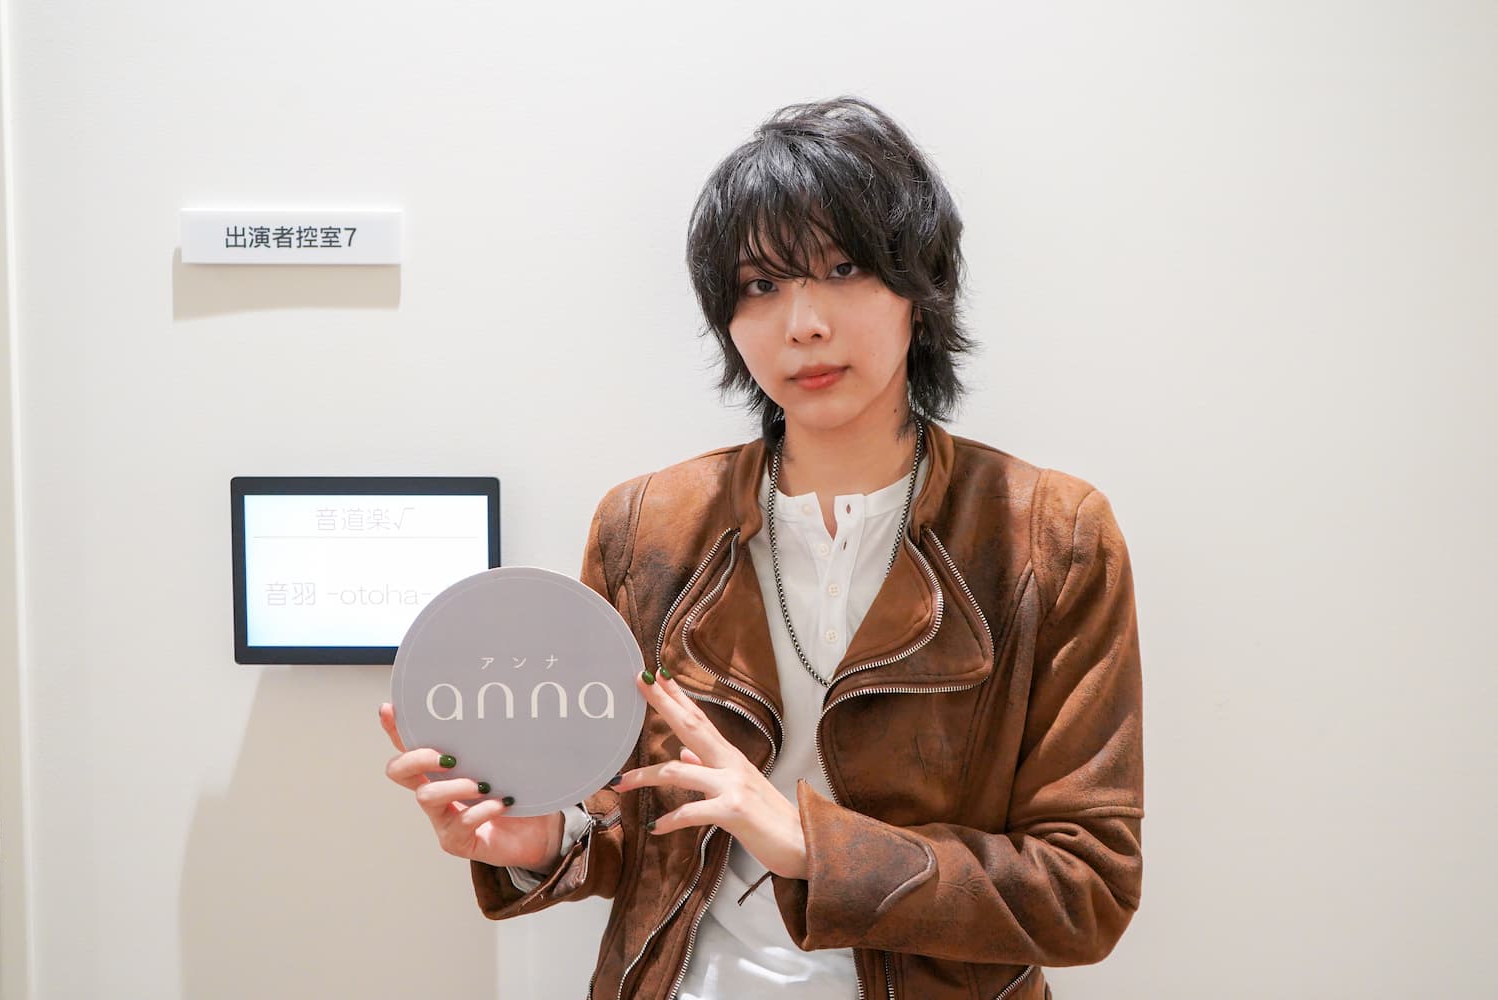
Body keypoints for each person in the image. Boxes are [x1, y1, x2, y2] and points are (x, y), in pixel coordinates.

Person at [380, 96, 1143, 1000]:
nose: (802, 323)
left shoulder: (1050, 536)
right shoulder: (648, 526)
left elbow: (1085, 890)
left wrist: (814, 848)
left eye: (844, 268)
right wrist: (544, 841)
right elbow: (633, 827)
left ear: (921, 285)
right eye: (759, 285)